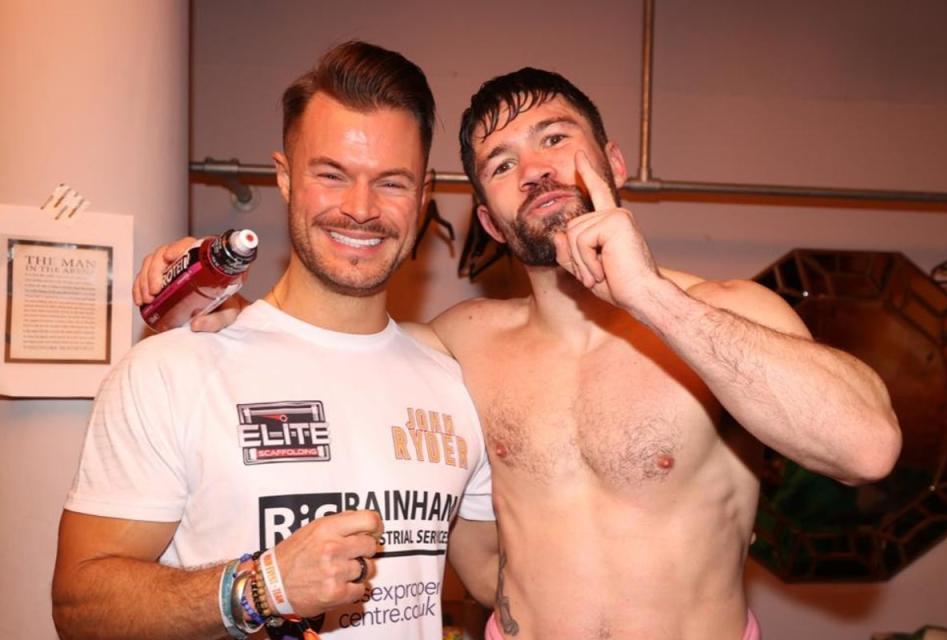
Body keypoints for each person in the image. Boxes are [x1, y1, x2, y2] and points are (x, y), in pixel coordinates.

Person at [136, 68, 901, 640]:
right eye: (501, 164)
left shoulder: (723, 315)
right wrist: (222, 310)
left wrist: (649, 298)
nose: (533, 169)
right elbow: (335, 343)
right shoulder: (464, 344)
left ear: (616, 164)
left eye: (556, 139)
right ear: (494, 225)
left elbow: (866, 446)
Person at [51, 42, 498, 640]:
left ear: (423, 196)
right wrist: (261, 587)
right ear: (285, 178)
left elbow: (498, 576)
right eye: (331, 174)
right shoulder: (176, 366)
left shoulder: (454, 383)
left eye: (391, 182)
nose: (360, 209)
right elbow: (79, 607)